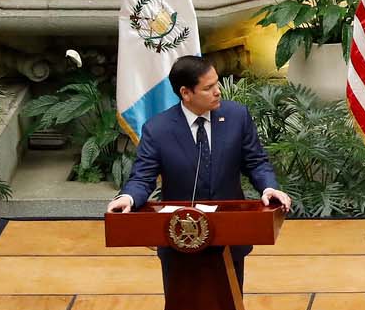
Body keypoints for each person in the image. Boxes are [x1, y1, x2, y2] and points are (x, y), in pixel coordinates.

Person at [107, 54, 292, 287]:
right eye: (209, 87)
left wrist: (269, 187)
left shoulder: (237, 117)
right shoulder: (158, 129)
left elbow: (256, 162)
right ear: (186, 93)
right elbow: (143, 177)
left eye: (217, 83)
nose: (218, 91)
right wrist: (128, 197)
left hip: (229, 235)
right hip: (180, 240)